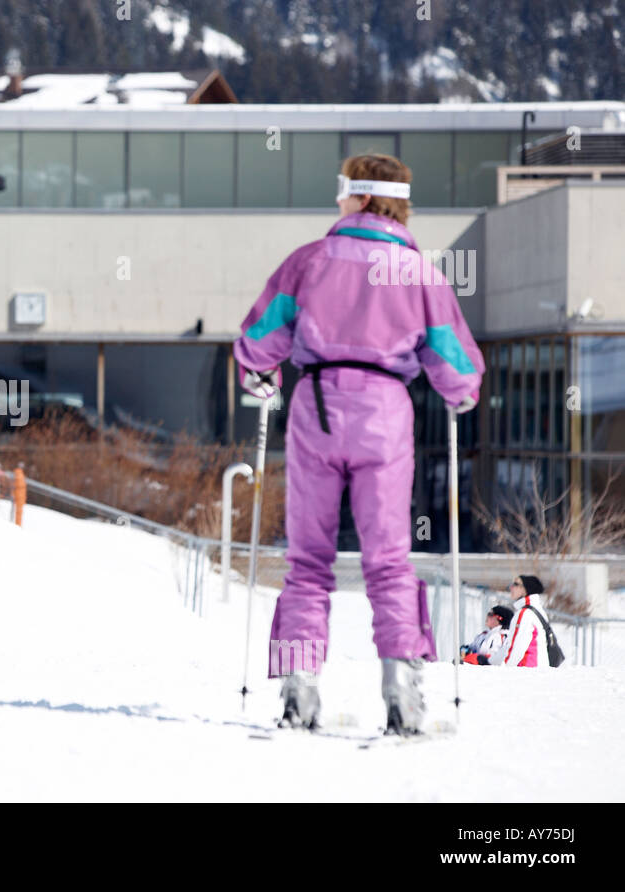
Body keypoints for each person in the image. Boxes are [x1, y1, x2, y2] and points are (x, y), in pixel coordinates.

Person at [234, 154, 485, 735]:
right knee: (389, 559)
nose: (337, 201)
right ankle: (401, 690)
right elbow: (453, 362)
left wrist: (257, 372)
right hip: (385, 413)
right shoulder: (417, 272)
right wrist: (461, 392)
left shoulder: (308, 261)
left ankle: (300, 692)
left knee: (308, 559)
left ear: (363, 197)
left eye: (342, 190)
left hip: (316, 406)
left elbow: (259, 339)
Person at [496, 575, 551, 668]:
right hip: (539, 669)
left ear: (525, 589)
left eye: (515, 584)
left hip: (528, 671)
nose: (511, 587)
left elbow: (516, 648)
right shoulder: (537, 610)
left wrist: (505, 670)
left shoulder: (525, 613)